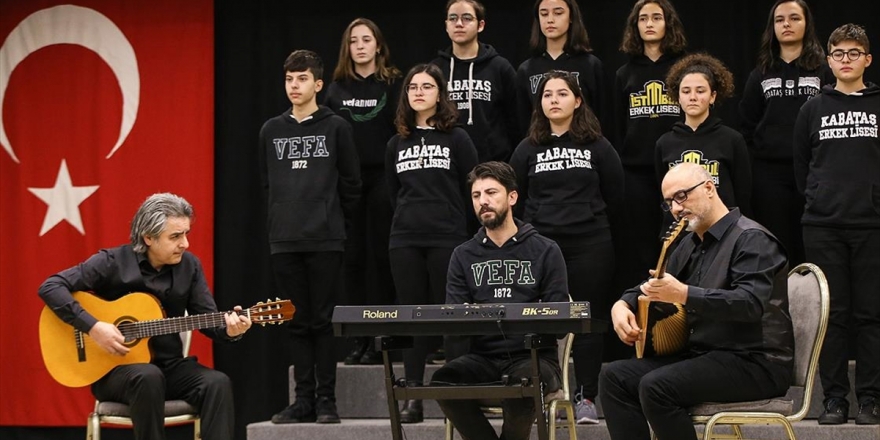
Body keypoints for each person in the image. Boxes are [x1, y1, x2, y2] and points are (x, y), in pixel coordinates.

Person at [598, 162, 793, 440]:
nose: (676, 208)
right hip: (705, 355)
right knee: (615, 377)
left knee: (656, 387)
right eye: (669, 202)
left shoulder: (752, 239)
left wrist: (684, 294)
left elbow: (750, 304)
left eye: (682, 196)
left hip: (755, 361)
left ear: (709, 188)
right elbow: (655, 283)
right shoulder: (691, 243)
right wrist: (623, 304)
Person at [38, 193, 252, 440]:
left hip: (170, 367)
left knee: (217, 383)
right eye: (175, 236)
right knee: (148, 377)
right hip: (116, 373)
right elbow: (50, 287)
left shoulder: (190, 266)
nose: (185, 243)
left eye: (186, 234)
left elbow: (207, 318)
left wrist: (231, 330)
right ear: (148, 237)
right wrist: (94, 327)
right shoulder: (112, 262)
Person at [509, 70, 623, 424]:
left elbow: (616, 195)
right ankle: (548, 393)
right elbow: (516, 198)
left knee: (587, 319)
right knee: (542, 322)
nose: (554, 100)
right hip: (541, 248)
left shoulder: (599, 146)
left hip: (590, 243)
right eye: (547, 95)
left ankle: (586, 397)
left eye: (562, 93)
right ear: (539, 103)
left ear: (578, 101)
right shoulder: (526, 149)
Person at [431, 161, 569, 440]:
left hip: (533, 357)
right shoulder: (463, 255)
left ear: (512, 197)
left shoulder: (545, 250)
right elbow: (456, 320)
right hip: (482, 358)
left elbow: (559, 322)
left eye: (491, 193)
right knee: (443, 381)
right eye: (476, 195)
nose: (484, 201)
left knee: (523, 385)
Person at [259, 49, 361, 424]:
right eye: (289, 79)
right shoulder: (271, 130)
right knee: (295, 321)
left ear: (318, 84)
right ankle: (302, 400)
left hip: (325, 238)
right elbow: (267, 184)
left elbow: (351, 184)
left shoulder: (336, 127)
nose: (294, 86)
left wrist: (333, 223)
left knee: (322, 321)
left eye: (302, 79)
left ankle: (326, 401)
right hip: (285, 239)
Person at [793, 23, 880, 425]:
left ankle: (871, 399)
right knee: (832, 315)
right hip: (824, 225)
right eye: (839, 53)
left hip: (872, 226)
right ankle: (834, 400)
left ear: (867, 59)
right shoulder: (812, 108)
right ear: (828, 61)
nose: (846, 59)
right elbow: (801, 168)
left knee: (871, 314)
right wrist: (819, 200)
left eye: (854, 52)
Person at [385, 63, 479, 423]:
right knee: (412, 316)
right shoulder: (397, 142)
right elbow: (394, 194)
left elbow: (470, 188)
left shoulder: (457, 138)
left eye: (427, 86)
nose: (419, 92)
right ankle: (413, 396)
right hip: (405, 238)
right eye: (412, 87)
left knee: (450, 315)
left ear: (440, 94)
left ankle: (454, 394)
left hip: (448, 236)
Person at [324, 17, 401, 366]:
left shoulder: (393, 84)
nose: (360, 46)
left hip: (384, 180)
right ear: (347, 48)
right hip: (347, 184)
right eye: (353, 40)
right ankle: (359, 338)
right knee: (353, 261)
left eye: (366, 39)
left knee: (382, 259)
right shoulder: (336, 89)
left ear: (378, 46)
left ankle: (385, 335)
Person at [739, 0, 834, 267]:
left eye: (794, 18)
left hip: (815, 171)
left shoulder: (824, 71)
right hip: (770, 176)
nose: (787, 24)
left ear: (807, 24)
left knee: (813, 243)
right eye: (780, 20)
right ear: (773, 27)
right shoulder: (760, 74)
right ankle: (779, 307)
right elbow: (746, 124)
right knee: (777, 244)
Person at [611, 0, 687, 303]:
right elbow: (615, 126)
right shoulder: (623, 74)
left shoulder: (683, 67)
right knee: (641, 245)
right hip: (636, 172)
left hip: (677, 169)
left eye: (657, 17)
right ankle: (644, 309)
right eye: (643, 18)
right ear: (635, 26)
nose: (650, 23)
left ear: (668, 23)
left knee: (680, 243)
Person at [655, 53, 752, 216]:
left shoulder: (732, 140)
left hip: (724, 232)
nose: (692, 97)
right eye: (686, 91)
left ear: (712, 96)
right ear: (677, 97)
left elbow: (743, 195)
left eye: (700, 91)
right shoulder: (664, 143)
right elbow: (662, 197)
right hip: (679, 233)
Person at [431, 0, 519, 162]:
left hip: (493, 162)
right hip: (447, 163)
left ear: (481, 25)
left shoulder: (500, 67)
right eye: (453, 18)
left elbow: (516, 119)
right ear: (446, 25)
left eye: (467, 18)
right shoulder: (435, 70)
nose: (458, 24)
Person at [515, 0, 607, 138]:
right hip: (539, 149)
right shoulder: (526, 70)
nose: (550, 20)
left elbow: (604, 117)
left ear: (571, 17)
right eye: (544, 14)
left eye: (558, 13)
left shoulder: (590, 65)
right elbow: (521, 123)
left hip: (585, 147)